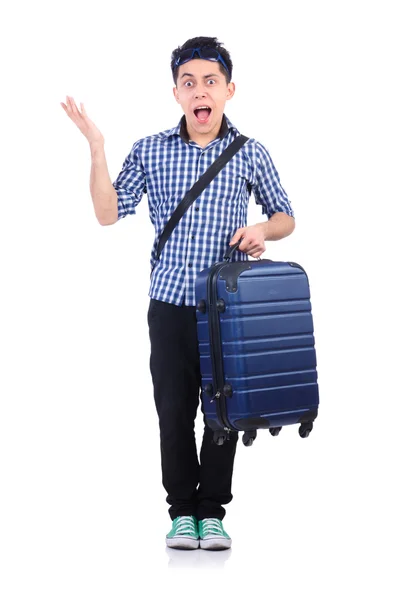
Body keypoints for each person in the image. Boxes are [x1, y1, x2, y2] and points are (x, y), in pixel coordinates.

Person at [61, 36, 295, 551]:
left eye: (210, 81)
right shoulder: (150, 150)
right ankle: (181, 513)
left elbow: (286, 216)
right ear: (176, 94)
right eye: (189, 83)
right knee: (173, 409)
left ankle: (212, 513)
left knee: (222, 410)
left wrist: (263, 230)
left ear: (229, 90)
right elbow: (107, 212)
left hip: (224, 311)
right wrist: (97, 148)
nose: (199, 91)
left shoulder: (250, 152)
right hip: (167, 304)